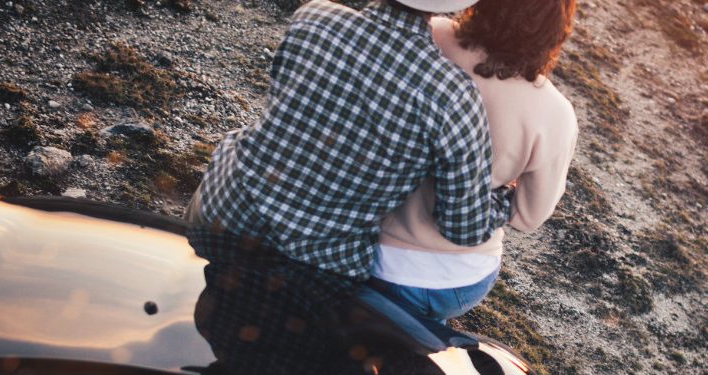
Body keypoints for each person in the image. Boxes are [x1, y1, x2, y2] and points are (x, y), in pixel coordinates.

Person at [185, 0, 514, 280]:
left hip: (221, 210)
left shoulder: (313, 16)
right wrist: (504, 199)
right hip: (312, 264)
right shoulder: (451, 93)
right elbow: (463, 227)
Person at [371, 0, 579, 323]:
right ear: (556, 29)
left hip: (367, 245)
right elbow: (528, 217)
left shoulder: (434, 35)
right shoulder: (556, 114)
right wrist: (493, 187)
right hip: (454, 278)